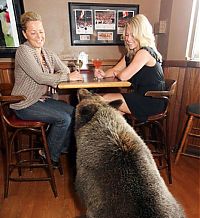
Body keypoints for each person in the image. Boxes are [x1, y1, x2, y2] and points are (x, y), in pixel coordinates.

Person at [10, 11, 83, 168]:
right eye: (33, 32)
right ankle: (49, 156)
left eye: (41, 31)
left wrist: (65, 75)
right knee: (63, 119)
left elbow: (64, 69)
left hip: (42, 101)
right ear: (25, 34)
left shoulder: (46, 52)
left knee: (74, 113)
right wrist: (66, 77)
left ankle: (56, 149)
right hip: (25, 103)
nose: (39, 36)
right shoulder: (23, 51)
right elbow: (39, 76)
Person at [94, 14, 166, 122]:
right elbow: (115, 69)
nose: (128, 39)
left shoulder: (144, 52)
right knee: (110, 114)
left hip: (151, 101)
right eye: (126, 35)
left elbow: (123, 76)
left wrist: (117, 73)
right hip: (140, 96)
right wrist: (104, 74)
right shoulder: (131, 54)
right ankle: (115, 137)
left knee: (105, 99)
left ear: (142, 35)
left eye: (132, 35)